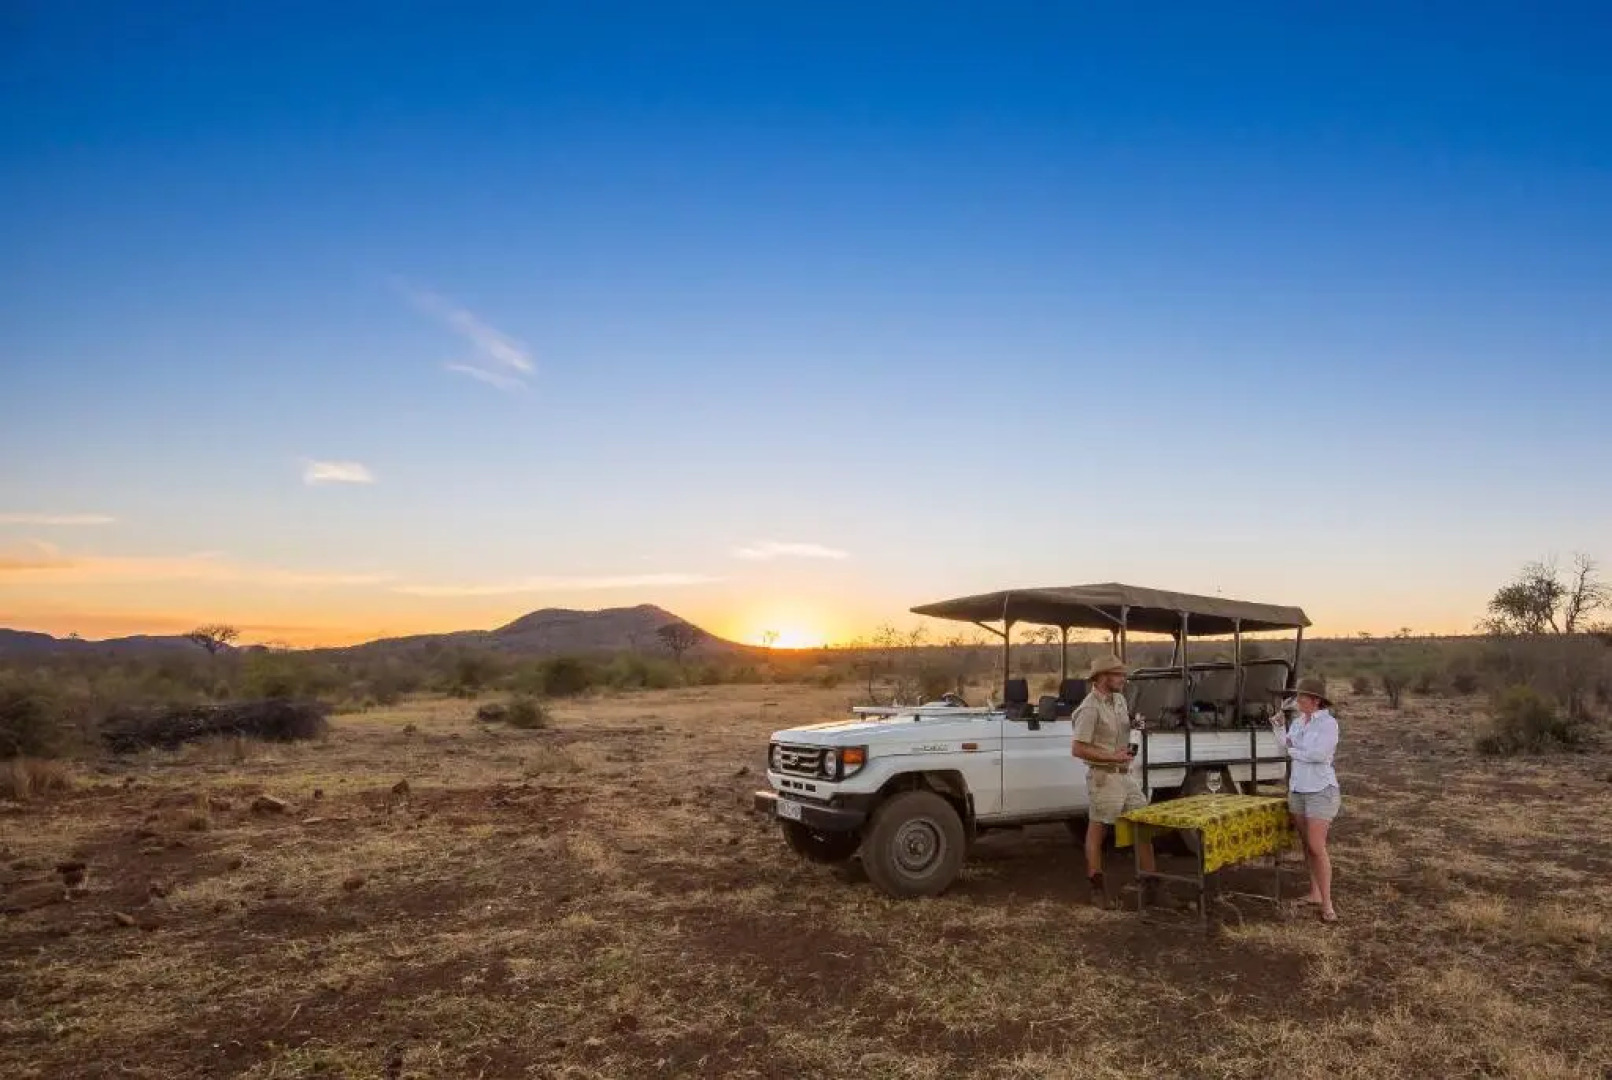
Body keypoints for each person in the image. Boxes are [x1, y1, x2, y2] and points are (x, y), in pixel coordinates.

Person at [1070, 653, 1155, 907]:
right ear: (1102, 677)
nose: (1124, 679)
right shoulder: (1089, 708)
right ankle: (1096, 888)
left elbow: (1120, 730)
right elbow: (1078, 749)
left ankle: (1151, 886)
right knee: (1099, 831)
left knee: (1143, 824)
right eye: (1118, 675)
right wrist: (1111, 756)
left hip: (1125, 776)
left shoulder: (1118, 700)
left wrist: (1135, 724)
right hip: (1104, 778)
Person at [1270, 677, 1341, 923]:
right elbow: (1286, 746)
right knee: (1306, 844)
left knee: (1316, 845)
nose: (1298, 701)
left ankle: (1328, 904)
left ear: (1316, 701)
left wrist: (1293, 751)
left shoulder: (1328, 724)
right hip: (1298, 788)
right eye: (1298, 697)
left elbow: (1318, 755)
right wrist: (1279, 728)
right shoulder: (1300, 722)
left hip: (1320, 789)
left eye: (1303, 697)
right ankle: (1315, 893)